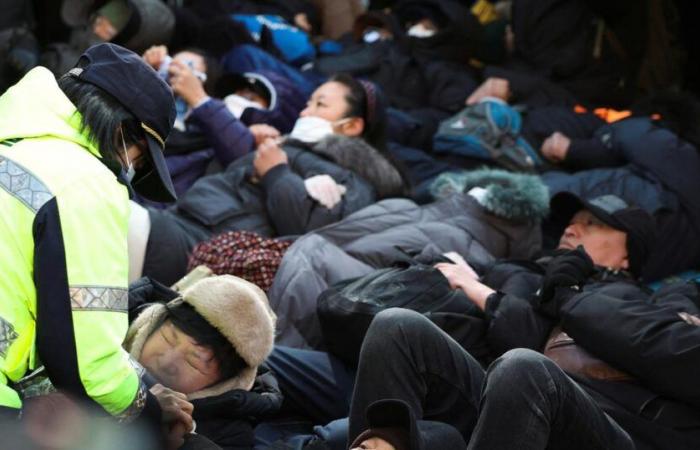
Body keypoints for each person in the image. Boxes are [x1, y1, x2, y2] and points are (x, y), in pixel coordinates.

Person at [0, 42, 191, 444]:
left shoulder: (11, 137)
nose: (131, 170)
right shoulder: (86, 184)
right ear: (123, 133)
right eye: (140, 158)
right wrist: (149, 411)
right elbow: (90, 364)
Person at [136, 74, 408, 285]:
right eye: (308, 103)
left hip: (201, 250)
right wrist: (250, 143)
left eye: (320, 104)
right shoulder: (284, 147)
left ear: (352, 126)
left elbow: (313, 232)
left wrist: (276, 173)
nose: (305, 112)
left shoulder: (356, 183)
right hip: (176, 220)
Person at [126, 275, 279, 450]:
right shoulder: (101, 331)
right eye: (168, 338)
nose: (167, 362)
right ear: (151, 322)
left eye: (194, 362)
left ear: (226, 384)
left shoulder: (227, 437)